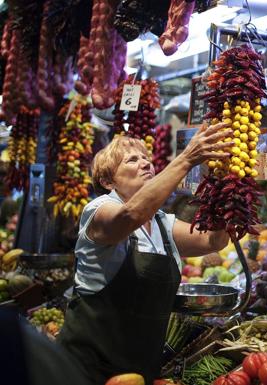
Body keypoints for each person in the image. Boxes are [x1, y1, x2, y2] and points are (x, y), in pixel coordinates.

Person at [57, 122, 233, 385]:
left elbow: (214, 239)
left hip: (140, 372)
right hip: (85, 371)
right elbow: (129, 216)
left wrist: (227, 182)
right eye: (132, 159)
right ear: (107, 181)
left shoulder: (163, 222)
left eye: (147, 159)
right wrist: (187, 158)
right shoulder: (99, 209)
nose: (146, 164)